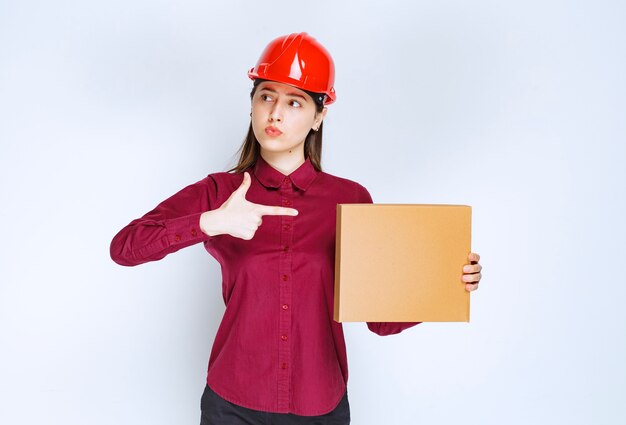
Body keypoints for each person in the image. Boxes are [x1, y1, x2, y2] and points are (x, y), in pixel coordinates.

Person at [110, 32, 482, 425]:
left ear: (319, 115)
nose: (275, 113)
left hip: (320, 405)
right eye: (266, 96)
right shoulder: (219, 192)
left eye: (295, 102)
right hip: (233, 402)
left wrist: (447, 280)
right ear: (252, 104)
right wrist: (212, 221)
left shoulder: (350, 199)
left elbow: (380, 319)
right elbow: (125, 247)